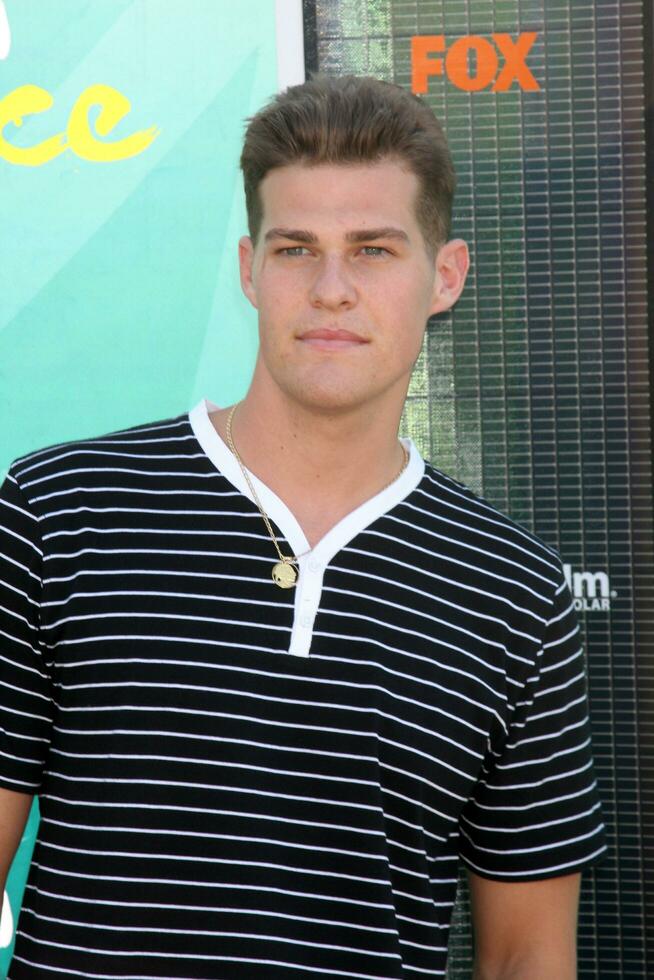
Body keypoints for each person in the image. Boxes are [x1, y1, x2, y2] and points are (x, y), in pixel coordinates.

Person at [0, 74, 606, 979]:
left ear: (445, 276)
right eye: (296, 249)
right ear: (249, 268)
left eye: (372, 250)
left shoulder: (516, 594)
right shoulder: (59, 512)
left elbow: (528, 955)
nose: (330, 289)